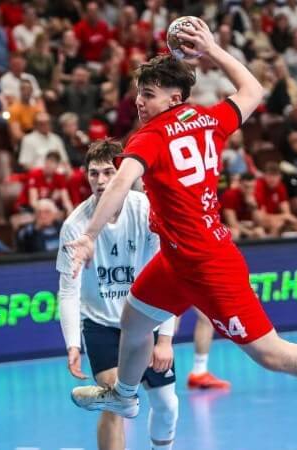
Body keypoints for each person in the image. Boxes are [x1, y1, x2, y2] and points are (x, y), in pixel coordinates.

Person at [67, 18, 297, 442]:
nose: (139, 101)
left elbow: (119, 184)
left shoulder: (149, 137)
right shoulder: (208, 119)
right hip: (176, 260)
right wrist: (212, 49)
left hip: (208, 265)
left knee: (271, 354)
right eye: (139, 93)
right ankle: (125, 396)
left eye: (148, 94)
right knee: (134, 319)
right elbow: (253, 90)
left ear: (174, 98)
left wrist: (89, 235)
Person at [57, 140, 179, 450]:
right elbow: (68, 290)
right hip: (101, 325)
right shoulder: (74, 226)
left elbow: (168, 274)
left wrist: (165, 340)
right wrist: (72, 343)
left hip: (146, 319)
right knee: (114, 402)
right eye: (93, 173)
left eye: (108, 172)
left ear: (123, 173)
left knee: (166, 404)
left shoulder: (146, 210)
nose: (100, 181)